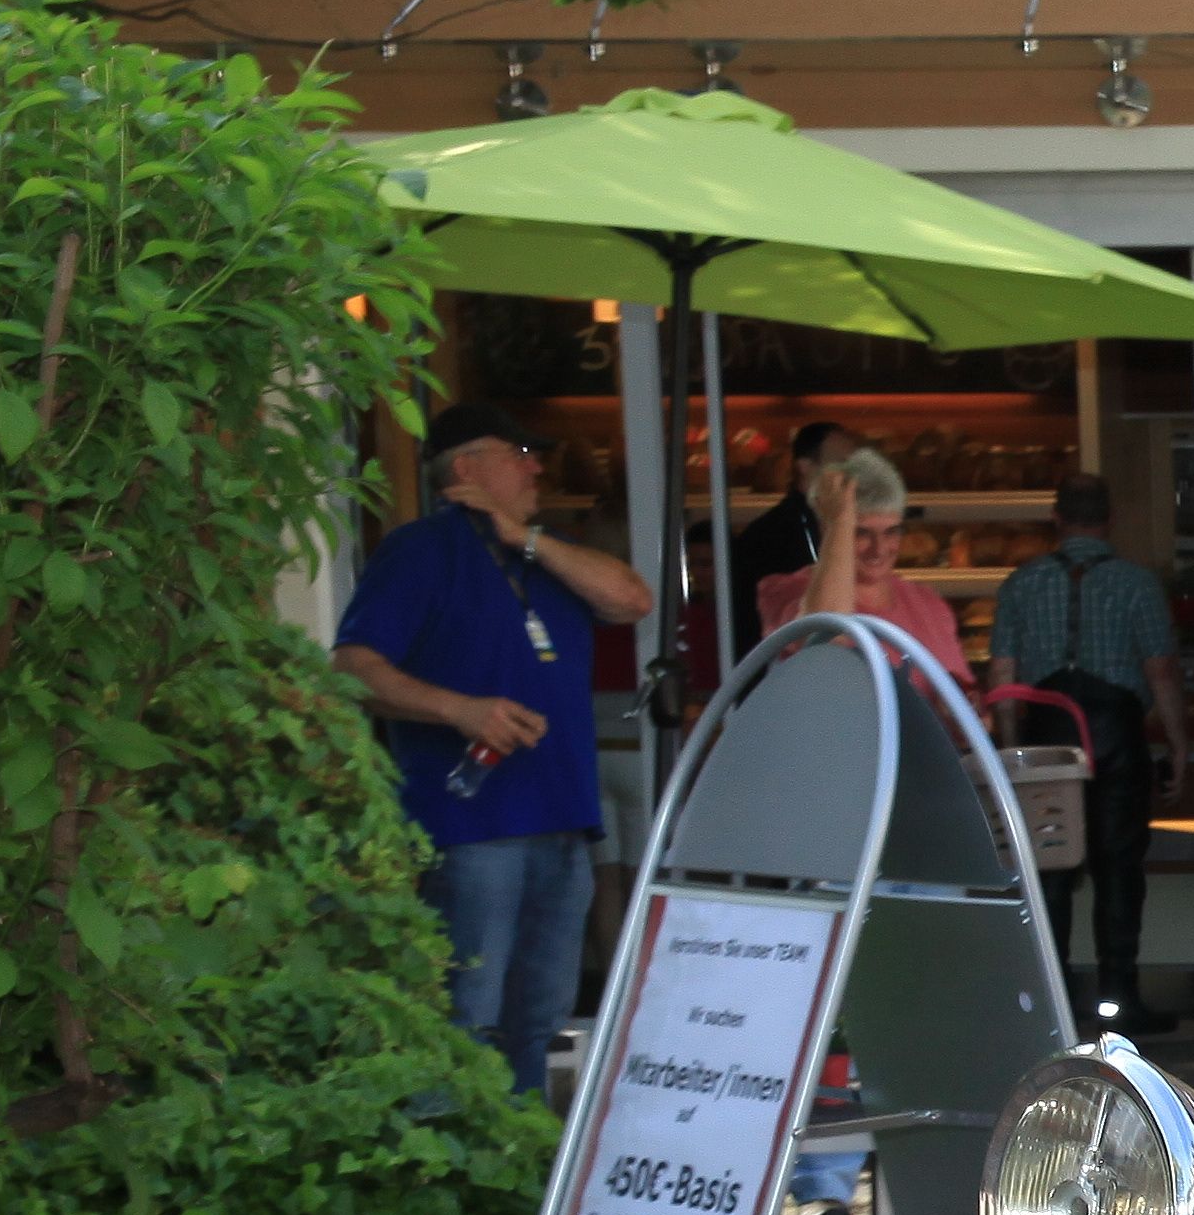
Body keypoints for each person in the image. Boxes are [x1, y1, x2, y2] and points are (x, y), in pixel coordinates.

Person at [332, 402, 653, 1088]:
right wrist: (459, 710)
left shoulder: (547, 554)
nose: (537, 467)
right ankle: (453, 1172)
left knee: (539, 1017)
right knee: (466, 1015)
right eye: (519, 454)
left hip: (563, 821)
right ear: (466, 468)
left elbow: (631, 599)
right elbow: (353, 669)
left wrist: (524, 538)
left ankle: (519, 1168)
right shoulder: (420, 550)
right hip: (471, 826)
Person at [999, 475, 1194, 1035]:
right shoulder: (1137, 584)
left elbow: (1005, 676)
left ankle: (1053, 1003)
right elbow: (1160, 670)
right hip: (1115, 730)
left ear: (1056, 518)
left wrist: (1011, 750)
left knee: (1051, 870)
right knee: (1119, 868)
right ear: (1109, 520)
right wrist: (1178, 745)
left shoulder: (1022, 583)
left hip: (1045, 736)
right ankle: (1119, 1001)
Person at [755, 443, 970, 687]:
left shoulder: (928, 603)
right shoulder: (784, 592)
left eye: (891, 532)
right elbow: (825, 637)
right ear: (831, 530)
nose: (879, 549)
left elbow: (960, 692)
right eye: (861, 533)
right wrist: (841, 518)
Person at [728, 417, 857, 601]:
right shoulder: (770, 535)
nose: (851, 474)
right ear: (805, 466)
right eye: (841, 463)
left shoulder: (843, 520)